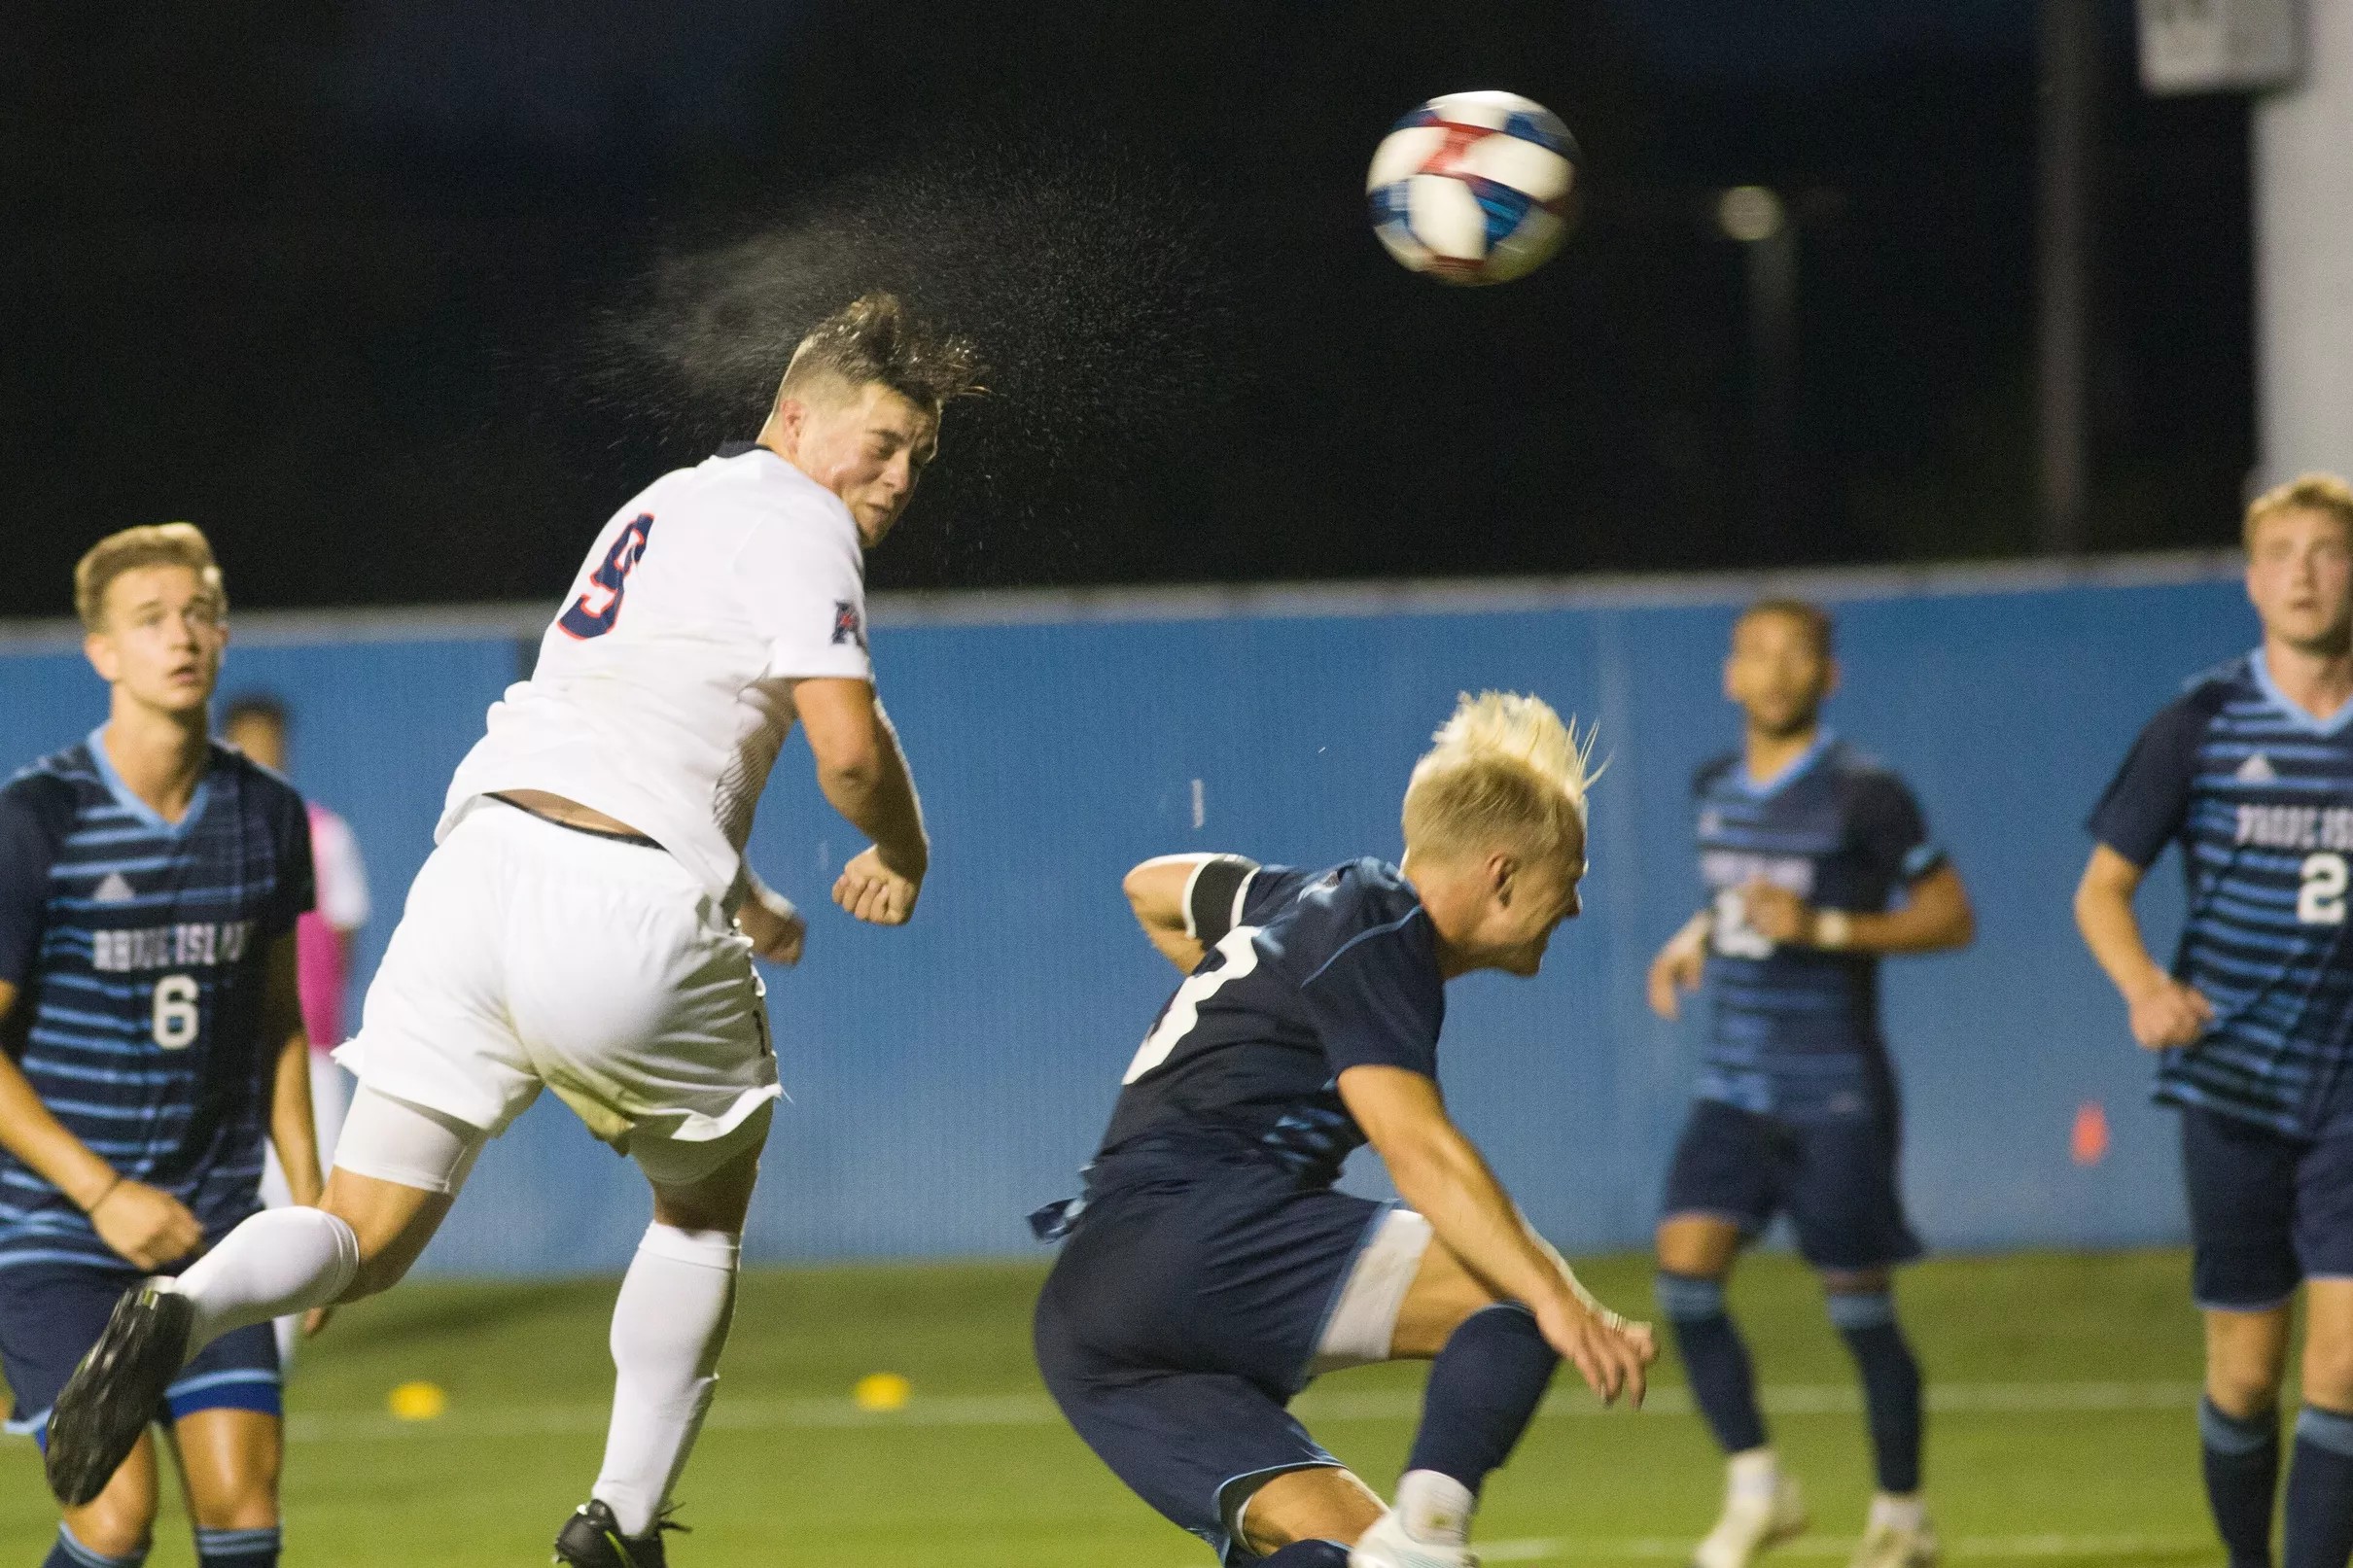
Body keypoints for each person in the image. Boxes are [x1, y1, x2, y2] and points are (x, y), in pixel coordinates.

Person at [43, 294, 980, 1568]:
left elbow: (645, 723)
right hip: (624, 908)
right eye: (881, 440)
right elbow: (849, 753)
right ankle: (624, 1520)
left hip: (480, 874)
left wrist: (745, 891)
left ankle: (183, 1303)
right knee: (703, 1209)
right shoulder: (804, 520)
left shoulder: (666, 503)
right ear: (796, 416)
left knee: (362, 1238)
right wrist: (904, 850)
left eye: (918, 454)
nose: (897, 474)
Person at [1032, 691, 1657, 1568]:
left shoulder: (1305, 904)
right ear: (1503, 873)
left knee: (1341, 1551)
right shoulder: (1378, 928)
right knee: (1514, 1291)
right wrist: (1561, 1300)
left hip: (1090, 1312)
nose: (1577, 905)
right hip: (1202, 1227)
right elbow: (1418, 1150)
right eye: (1572, 876)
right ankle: (1431, 1541)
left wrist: (1245, 998)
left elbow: (1153, 889)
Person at [0, 523, 320, 1568]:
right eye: (150, 620)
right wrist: (101, 1192)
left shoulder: (267, 814)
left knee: (242, 1508)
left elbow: (277, 1021)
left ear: (222, 634)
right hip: (58, 1231)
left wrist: (314, 1216)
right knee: (114, 1511)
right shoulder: (37, 819)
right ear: (102, 652)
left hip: (214, 1225)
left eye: (196, 613)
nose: (180, 636)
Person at [1644, 599, 1974, 1568]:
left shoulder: (1866, 793)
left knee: (1857, 1310)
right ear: (1728, 675)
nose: (1774, 671)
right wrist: (1694, 934)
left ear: (1826, 676)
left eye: (1795, 655)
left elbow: (1951, 915)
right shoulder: (1710, 786)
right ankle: (1758, 1483)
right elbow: (1737, 895)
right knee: (1684, 1278)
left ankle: (1901, 1512)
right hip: (1732, 1087)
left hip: (1835, 1090)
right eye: (1755, 653)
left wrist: (1824, 927)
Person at [2075, 473, 2353, 1568]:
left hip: (2349, 1092)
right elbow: (2099, 888)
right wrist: (2144, 983)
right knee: (2243, 1374)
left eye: (2324, 550)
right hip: (2231, 1088)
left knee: (2339, 1369)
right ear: (2248, 580)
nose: (2301, 571)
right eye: (2279, 552)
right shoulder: (2199, 719)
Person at [220, 694, 371, 1369]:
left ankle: (271, 1347)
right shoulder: (205, 829)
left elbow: (342, 932)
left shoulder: (320, 831)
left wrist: (318, 1006)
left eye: (271, 742)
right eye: (250, 741)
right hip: (218, 1051)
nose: (263, 754)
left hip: (305, 1046)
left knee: (301, 1200)